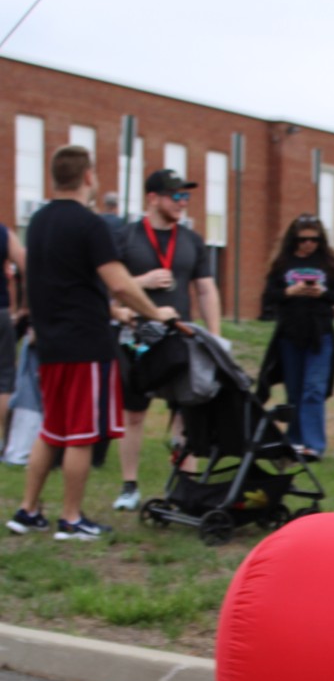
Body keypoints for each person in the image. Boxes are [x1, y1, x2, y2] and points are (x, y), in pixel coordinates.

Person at [7, 145, 173, 540]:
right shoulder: (90, 224)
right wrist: (155, 313)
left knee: (52, 430)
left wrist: (114, 312)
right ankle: (71, 519)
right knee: (81, 434)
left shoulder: (38, 221)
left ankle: (27, 511)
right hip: (85, 346)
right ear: (87, 177)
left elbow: (63, 283)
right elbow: (119, 282)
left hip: (50, 345)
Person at [113, 168, 222, 511]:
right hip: (136, 338)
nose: (182, 202)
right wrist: (142, 282)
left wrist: (215, 336)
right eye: (176, 195)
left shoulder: (191, 240)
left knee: (185, 414)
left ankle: (185, 487)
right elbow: (110, 287)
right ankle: (129, 486)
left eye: (186, 196)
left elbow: (206, 289)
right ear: (152, 198)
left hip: (180, 339)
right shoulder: (126, 237)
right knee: (134, 414)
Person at [259, 214, 334, 460]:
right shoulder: (282, 263)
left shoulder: (329, 263)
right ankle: (295, 441)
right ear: (293, 239)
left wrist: (321, 292)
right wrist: (290, 291)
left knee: (313, 389)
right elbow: (269, 297)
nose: (308, 244)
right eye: (303, 239)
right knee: (294, 390)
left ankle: (314, 445)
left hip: (320, 333)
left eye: (314, 240)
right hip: (290, 333)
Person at [1, 220, 26, 440]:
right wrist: (23, 307)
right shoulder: (3, 233)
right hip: (1, 312)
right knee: (4, 376)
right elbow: (25, 264)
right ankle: (2, 438)